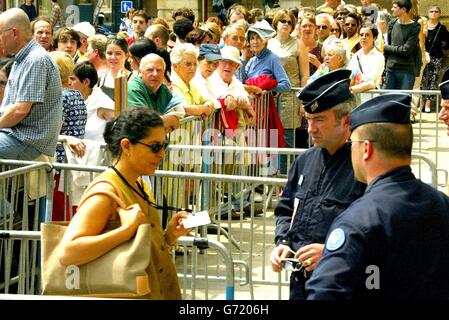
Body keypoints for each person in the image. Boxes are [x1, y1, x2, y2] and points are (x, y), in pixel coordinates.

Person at [306, 93, 449, 299]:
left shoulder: (359, 220)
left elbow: (325, 292)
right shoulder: (441, 203)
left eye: (352, 143)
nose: (350, 150)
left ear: (366, 148)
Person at [58, 107, 191, 300]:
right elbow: (68, 253)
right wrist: (124, 231)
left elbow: (139, 249)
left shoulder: (139, 184)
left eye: (165, 145)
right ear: (127, 146)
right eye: (155, 147)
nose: (162, 154)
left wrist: (168, 237)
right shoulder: (106, 193)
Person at [270, 69, 365, 300]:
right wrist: (283, 242)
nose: (311, 128)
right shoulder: (304, 161)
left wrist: (331, 251)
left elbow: (371, 231)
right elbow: (285, 209)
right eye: (308, 120)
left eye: (320, 120)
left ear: (345, 121)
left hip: (342, 284)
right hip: (301, 282)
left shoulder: (362, 167)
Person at [0, 8, 62, 160]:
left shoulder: (35, 59)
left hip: (27, 140)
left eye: (0, 34)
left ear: (14, 33)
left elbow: (20, 110)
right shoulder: (22, 59)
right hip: (16, 136)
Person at [127, 53, 183, 132]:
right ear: (140, 71)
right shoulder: (133, 89)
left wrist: (171, 119)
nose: (155, 74)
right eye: (149, 70)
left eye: (159, 70)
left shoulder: (163, 88)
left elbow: (178, 112)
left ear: (164, 73)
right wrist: (169, 120)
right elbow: (144, 122)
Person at [383, 0, 420, 90]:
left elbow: (406, 50)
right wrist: (384, 69)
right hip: (390, 68)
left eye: (395, 7)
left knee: (403, 100)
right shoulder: (392, 23)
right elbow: (389, 48)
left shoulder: (415, 27)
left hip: (406, 70)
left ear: (403, 9)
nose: (392, 9)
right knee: (387, 100)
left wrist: (387, 47)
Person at [421, 6, 449, 113]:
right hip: (423, 56)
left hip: (436, 57)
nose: (433, 13)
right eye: (431, 11)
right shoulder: (422, 26)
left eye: (436, 12)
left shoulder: (441, 28)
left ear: (439, 14)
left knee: (433, 79)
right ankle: (422, 102)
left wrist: (444, 49)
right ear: (428, 13)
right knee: (423, 80)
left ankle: (428, 103)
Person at [348, 23, 385, 89]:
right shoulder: (355, 56)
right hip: (355, 96)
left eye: (367, 35)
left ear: (374, 38)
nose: (363, 37)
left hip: (371, 95)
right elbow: (350, 76)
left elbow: (370, 79)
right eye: (361, 35)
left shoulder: (379, 57)